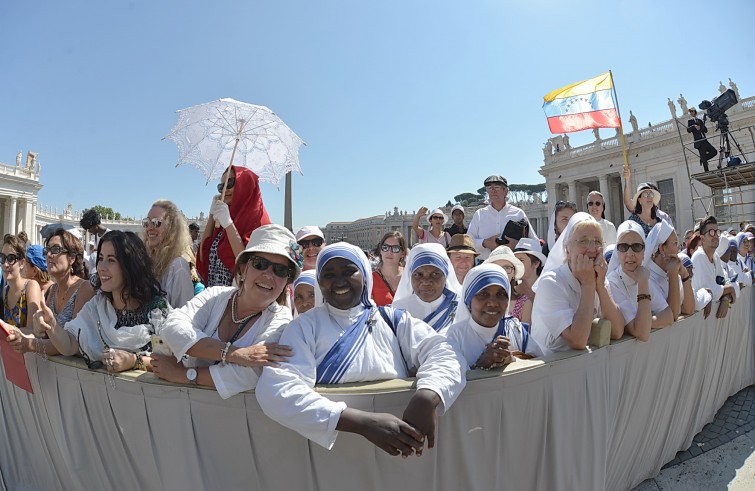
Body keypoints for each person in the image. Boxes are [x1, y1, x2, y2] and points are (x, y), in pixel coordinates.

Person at [255, 243, 465, 456]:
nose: (339, 281)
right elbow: (276, 389)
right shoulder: (304, 327)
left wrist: (429, 395)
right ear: (319, 281)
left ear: (365, 275)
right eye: (329, 274)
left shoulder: (393, 319)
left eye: (349, 271)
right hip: (332, 451)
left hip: (400, 444)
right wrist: (363, 423)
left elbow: (446, 353)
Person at [151, 224, 298, 399]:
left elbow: (252, 373)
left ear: (286, 281)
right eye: (260, 264)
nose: (268, 275)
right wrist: (235, 354)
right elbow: (172, 328)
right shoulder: (215, 295)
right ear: (243, 269)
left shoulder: (281, 319)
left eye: (280, 270)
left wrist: (185, 374)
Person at [34, 231, 169, 372]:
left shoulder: (156, 310)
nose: (101, 267)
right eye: (101, 258)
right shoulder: (97, 306)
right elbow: (69, 345)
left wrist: (133, 361)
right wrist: (52, 326)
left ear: (130, 265)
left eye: (111, 260)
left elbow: (169, 362)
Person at [531, 213, 624, 356]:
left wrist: (600, 286)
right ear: (567, 250)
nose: (592, 248)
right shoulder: (550, 283)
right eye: (583, 241)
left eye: (597, 241)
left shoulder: (600, 279)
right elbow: (578, 340)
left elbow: (617, 331)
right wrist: (588, 285)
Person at [8, 229, 97, 357]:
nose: (49, 255)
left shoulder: (85, 289)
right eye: (47, 250)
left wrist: (29, 344)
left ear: (72, 258)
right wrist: (18, 333)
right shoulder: (53, 290)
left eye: (55, 249)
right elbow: (45, 336)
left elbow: (72, 343)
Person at [446, 264, 542, 367]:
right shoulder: (455, 336)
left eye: (500, 295)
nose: (493, 303)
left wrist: (512, 360)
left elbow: (542, 366)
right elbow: (452, 378)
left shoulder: (516, 330)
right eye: (483, 295)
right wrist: (481, 364)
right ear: (469, 300)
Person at [197, 166, 271, 287]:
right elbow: (203, 255)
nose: (224, 189)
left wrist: (229, 225)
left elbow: (248, 265)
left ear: (245, 185)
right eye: (221, 186)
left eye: (230, 182)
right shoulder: (224, 216)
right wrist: (211, 214)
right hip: (214, 298)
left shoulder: (259, 220)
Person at [607, 221, 673, 341]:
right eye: (623, 247)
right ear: (617, 252)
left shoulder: (642, 274)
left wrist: (645, 322)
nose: (630, 253)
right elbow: (642, 333)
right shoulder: (612, 283)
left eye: (636, 247)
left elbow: (668, 315)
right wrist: (643, 284)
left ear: (644, 252)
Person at [392, 243, 463, 334]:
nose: (426, 281)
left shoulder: (460, 308)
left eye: (435, 274)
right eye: (418, 275)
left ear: (445, 277)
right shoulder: (398, 310)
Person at [468, 175, 539, 260]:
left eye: (497, 187)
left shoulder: (518, 213)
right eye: (489, 188)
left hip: (512, 265)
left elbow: (535, 243)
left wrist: (517, 244)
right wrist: (485, 243)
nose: (493, 191)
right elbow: (468, 242)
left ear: (506, 191)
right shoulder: (479, 214)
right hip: (485, 264)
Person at [143, 200, 195, 309]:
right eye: (147, 222)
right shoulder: (149, 260)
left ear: (172, 228)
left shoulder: (178, 266)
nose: (149, 227)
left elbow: (184, 315)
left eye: (156, 222)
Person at [645, 222, 695, 319]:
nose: (678, 249)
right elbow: (673, 315)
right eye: (675, 243)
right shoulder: (648, 277)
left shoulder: (673, 269)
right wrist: (673, 274)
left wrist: (684, 275)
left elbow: (689, 309)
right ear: (662, 248)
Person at [691, 216, 736, 320]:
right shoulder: (699, 257)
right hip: (699, 319)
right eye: (711, 232)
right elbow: (709, 292)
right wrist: (729, 289)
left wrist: (725, 298)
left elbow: (725, 282)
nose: (715, 235)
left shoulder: (715, 257)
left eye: (717, 232)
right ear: (702, 238)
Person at [2, 234, 42, 330]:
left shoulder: (31, 287)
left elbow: (33, 331)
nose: (5, 264)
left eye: (11, 258)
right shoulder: (5, 291)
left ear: (22, 263)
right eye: (3, 258)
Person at [483, 246, 531, 325]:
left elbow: (523, 335)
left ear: (513, 273)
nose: (502, 272)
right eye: (497, 267)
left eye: (507, 267)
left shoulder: (525, 303)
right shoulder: (478, 299)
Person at [371, 231, 407, 307]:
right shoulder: (370, 279)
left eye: (395, 248)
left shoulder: (410, 276)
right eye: (385, 247)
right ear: (381, 250)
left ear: (403, 253)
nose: (389, 252)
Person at [513, 237, 546, 303]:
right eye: (515, 260)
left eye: (521, 260)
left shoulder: (547, 288)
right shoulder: (513, 291)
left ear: (536, 263)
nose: (517, 264)